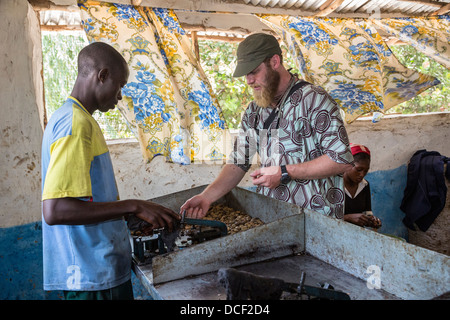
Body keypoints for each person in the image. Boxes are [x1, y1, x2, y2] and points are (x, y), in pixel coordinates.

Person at [41, 42, 179, 300]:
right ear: (102, 76)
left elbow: (86, 200)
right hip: (92, 279)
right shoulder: (75, 124)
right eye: (120, 86)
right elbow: (56, 210)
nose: (120, 96)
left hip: (92, 273)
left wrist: (128, 216)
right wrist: (132, 206)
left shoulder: (72, 118)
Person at [181, 33, 353, 219]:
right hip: (275, 218)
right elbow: (239, 162)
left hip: (318, 220)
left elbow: (340, 159)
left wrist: (285, 172)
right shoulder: (255, 111)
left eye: (254, 71)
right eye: (246, 74)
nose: (248, 80)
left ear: (275, 62)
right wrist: (206, 197)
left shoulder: (314, 100)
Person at [343, 143, 381, 229]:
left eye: (366, 171)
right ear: (346, 164)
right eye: (359, 170)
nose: (362, 174)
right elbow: (324, 217)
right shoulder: (333, 185)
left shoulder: (365, 185)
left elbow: (367, 213)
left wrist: (371, 220)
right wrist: (348, 218)